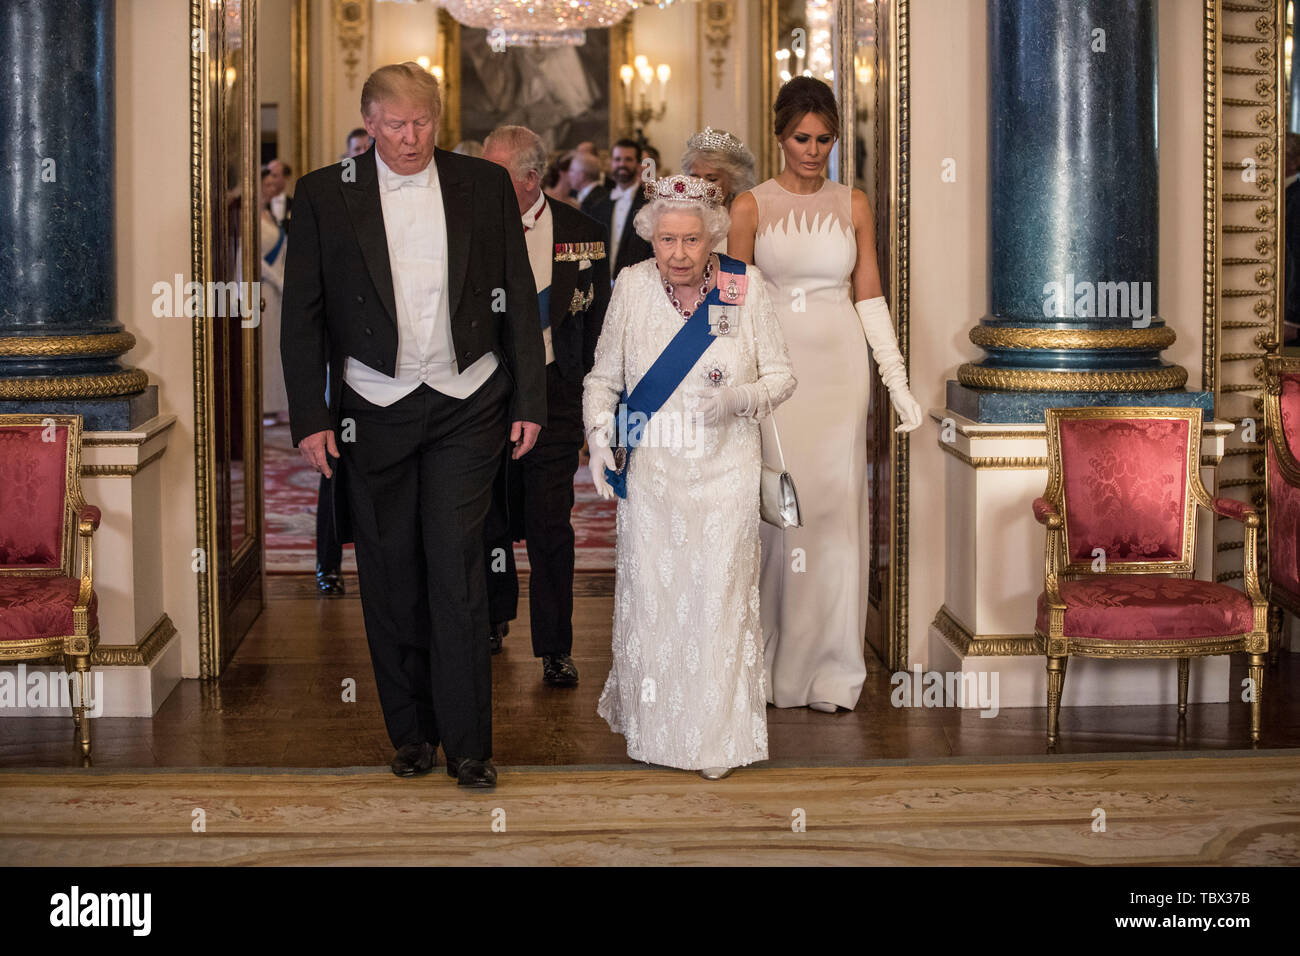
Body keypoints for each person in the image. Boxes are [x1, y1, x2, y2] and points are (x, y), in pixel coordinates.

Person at [280, 62, 547, 789]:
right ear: (368, 122)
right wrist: (310, 416)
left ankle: (469, 746)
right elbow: (301, 316)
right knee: (391, 572)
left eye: (422, 123)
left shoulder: (483, 185)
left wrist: (529, 400)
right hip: (374, 406)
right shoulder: (322, 195)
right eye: (395, 124)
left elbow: (519, 298)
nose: (409, 138)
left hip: (469, 400)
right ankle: (410, 735)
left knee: (459, 567)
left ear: (438, 120)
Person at [582, 175, 796, 778]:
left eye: (692, 240)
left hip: (726, 469)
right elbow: (602, 379)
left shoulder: (743, 286)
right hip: (653, 476)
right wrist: (601, 440)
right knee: (658, 599)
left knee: (718, 600)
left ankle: (716, 742)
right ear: (651, 237)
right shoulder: (629, 286)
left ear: (714, 239)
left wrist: (737, 400)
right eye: (666, 240)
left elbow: (782, 376)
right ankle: (658, 731)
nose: (677, 254)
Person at [728, 76, 923, 714]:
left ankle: (834, 670)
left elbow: (869, 294)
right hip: (778, 379)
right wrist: (735, 387)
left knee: (838, 515)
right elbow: (731, 311)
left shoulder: (855, 203)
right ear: (781, 137)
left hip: (841, 372)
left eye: (824, 139)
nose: (813, 149)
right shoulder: (749, 206)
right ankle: (774, 665)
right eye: (801, 138)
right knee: (783, 519)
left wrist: (895, 381)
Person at [481, 125, 610, 685]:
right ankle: (490, 618)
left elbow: (598, 322)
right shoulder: (471, 223)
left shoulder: (582, 232)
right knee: (487, 519)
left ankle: (555, 646)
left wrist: (595, 403)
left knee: (550, 524)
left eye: (498, 174)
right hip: (484, 393)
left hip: (557, 393)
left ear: (532, 179)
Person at [588, 138, 653, 281]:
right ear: (611, 163)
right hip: (601, 287)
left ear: (638, 164)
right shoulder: (597, 206)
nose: (622, 164)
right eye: (617, 159)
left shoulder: (651, 204)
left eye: (628, 159)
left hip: (637, 284)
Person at [259, 169, 290, 424]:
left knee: (277, 345)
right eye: (266, 184)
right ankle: (263, 404)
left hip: (279, 287)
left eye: (273, 184)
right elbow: (252, 258)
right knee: (265, 344)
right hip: (264, 288)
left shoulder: (269, 215)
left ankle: (276, 402)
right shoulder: (249, 217)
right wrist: (277, 280)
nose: (271, 188)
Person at [681, 127, 757, 212]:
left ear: (734, 181)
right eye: (694, 178)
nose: (701, 187)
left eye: (712, 179)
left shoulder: (748, 218)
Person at [568, 150, 607, 216]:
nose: (569, 174)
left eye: (572, 170)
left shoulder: (600, 200)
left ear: (581, 175)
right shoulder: (578, 195)